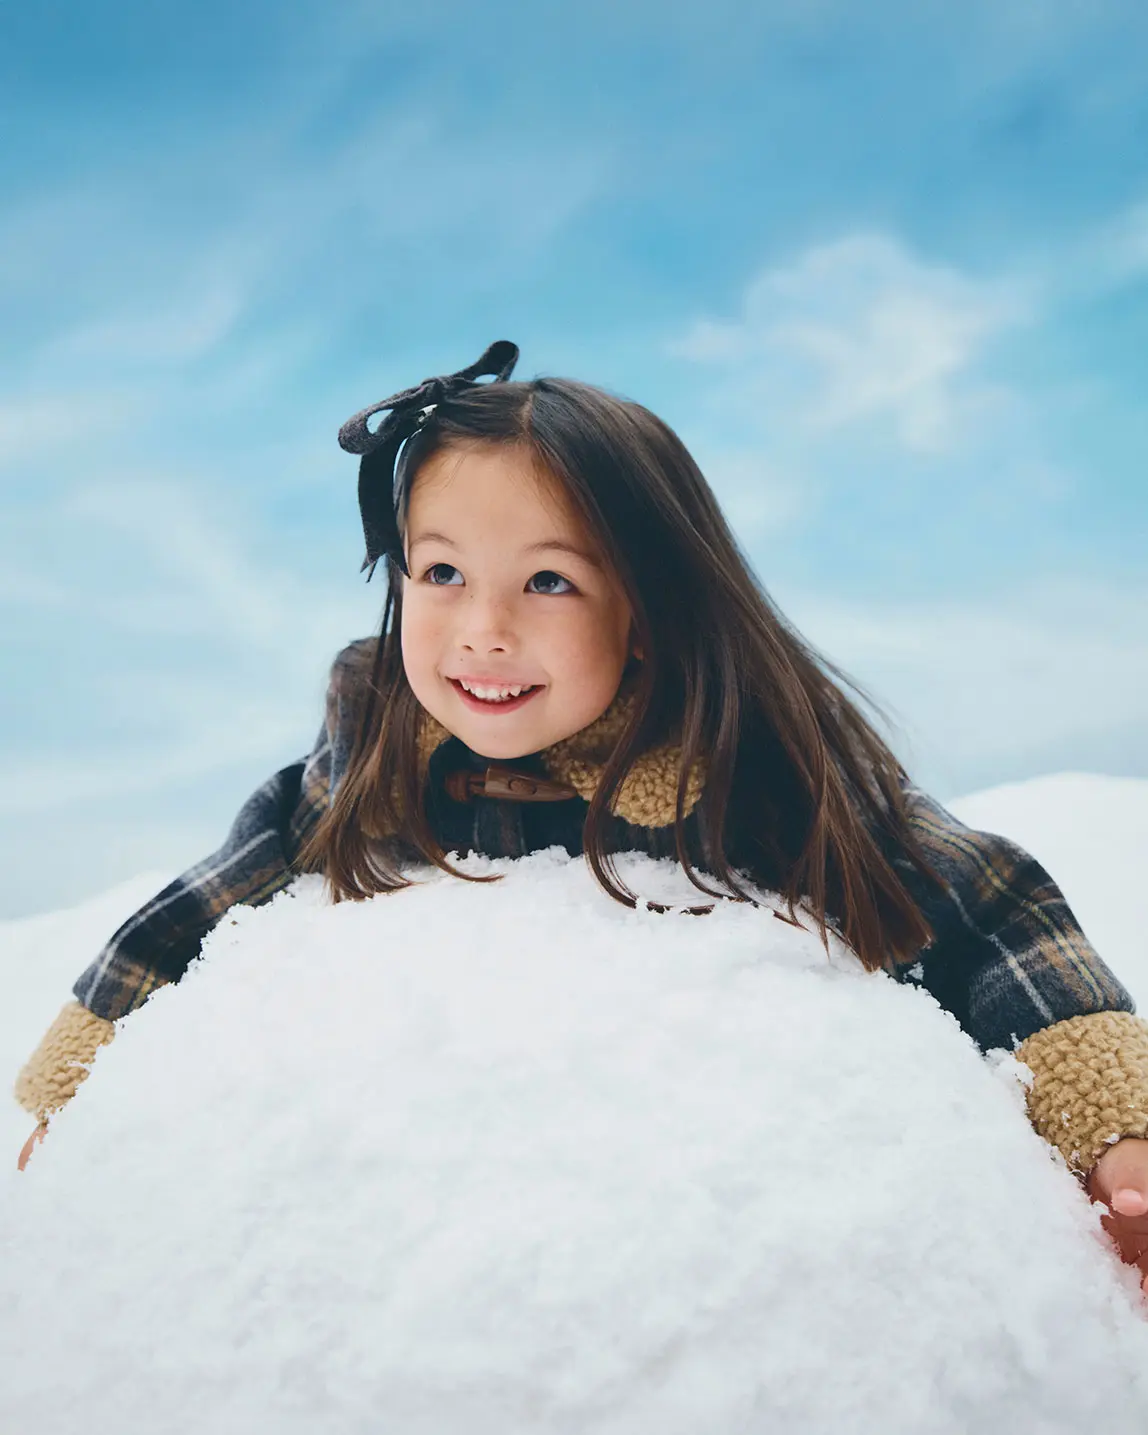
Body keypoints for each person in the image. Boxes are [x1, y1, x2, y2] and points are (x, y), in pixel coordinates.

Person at [16, 341, 1148, 1286]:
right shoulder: (371, 755)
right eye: (441, 572)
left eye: (547, 581)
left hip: (742, 1229)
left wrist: (1106, 1125)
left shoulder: (747, 771)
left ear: (650, 606)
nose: (481, 629)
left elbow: (987, 903)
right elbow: (200, 909)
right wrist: (89, 1098)